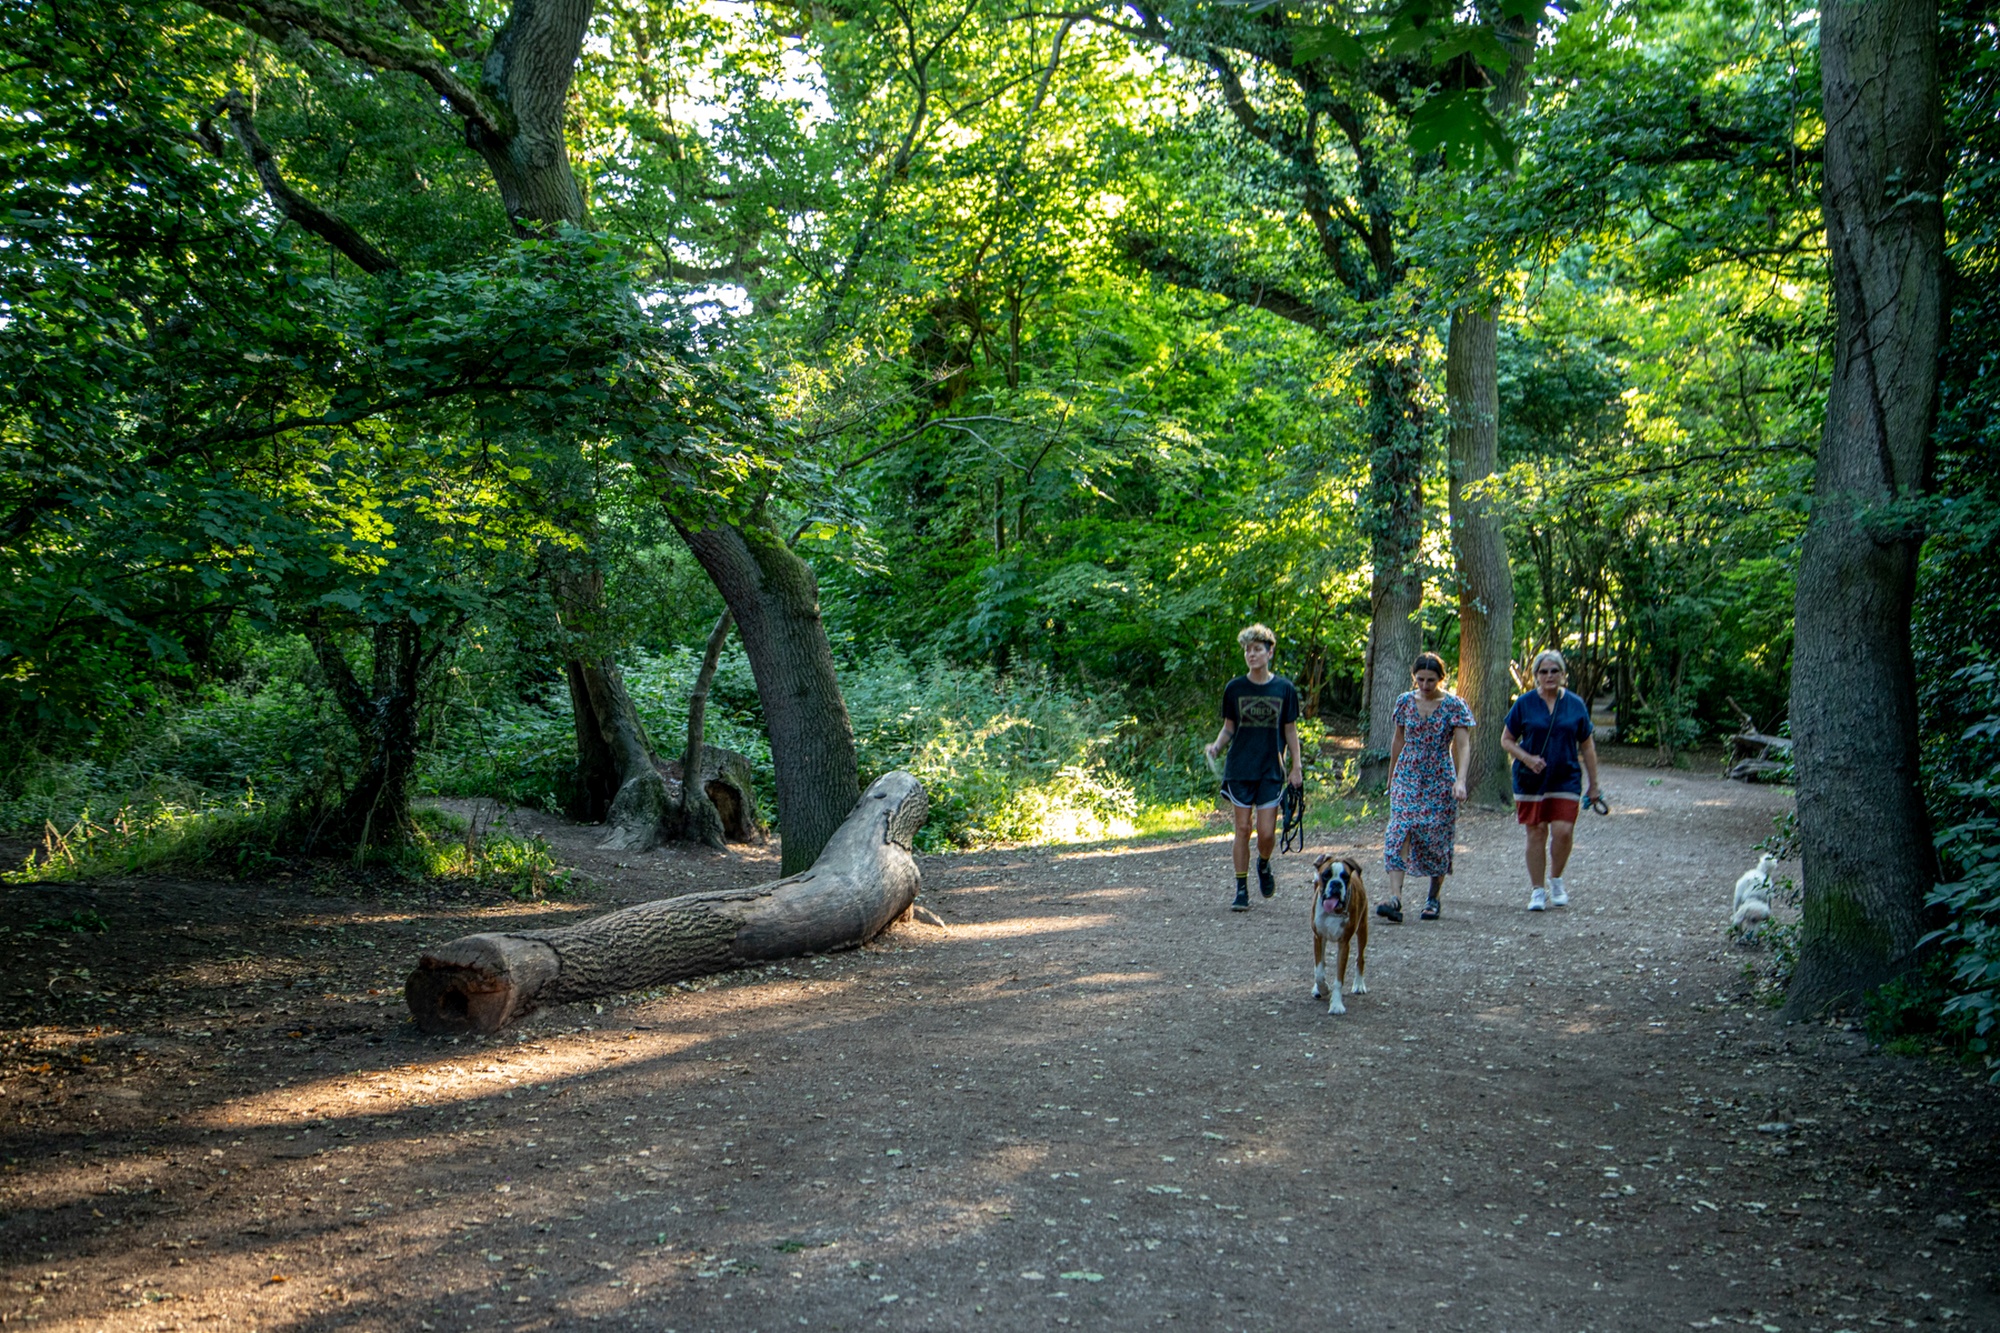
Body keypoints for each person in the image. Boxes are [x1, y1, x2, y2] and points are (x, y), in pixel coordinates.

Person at [1204, 623, 1303, 911]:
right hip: (1240, 768)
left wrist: (1296, 767)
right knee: (1243, 828)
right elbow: (1229, 727)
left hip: (1271, 769)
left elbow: (1290, 731)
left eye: (1257, 649)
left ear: (1269, 653)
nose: (1251, 654)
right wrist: (1216, 746)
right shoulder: (1234, 688)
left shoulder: (1284, 689)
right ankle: (1241, 889)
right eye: (1248, 650)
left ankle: (1263, 863)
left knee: (1267, 832)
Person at [1500, 649, 1602, 911]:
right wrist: (1527, 758)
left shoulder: (1575, 704)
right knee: (1536, 832)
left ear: (1563, 674)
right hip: (1531, 780)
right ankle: (1537, 890)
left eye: (1554, 671)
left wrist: (1594, 785)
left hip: (1565, 776)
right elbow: (1506, 740)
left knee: (1563, 831)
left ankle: (1556, 879)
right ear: (1536, 675)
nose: (1549, 676)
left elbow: (1587, 745)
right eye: (1543, 671)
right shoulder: (1524, 703)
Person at [1375, 652, 1473, 923]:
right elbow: (1398, 739)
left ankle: (1433, 897)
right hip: (1408, 772)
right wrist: (1391, 776)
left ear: (1441, 679)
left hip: (1440, 775)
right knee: (1399, 830)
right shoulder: (1404, 702)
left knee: (1436, 837)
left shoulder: (1454, 705)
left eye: (1431, 680)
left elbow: (1463, 745)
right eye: (1420, 679)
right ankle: (1394, 898)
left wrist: (1460, 780)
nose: (1425, 685)